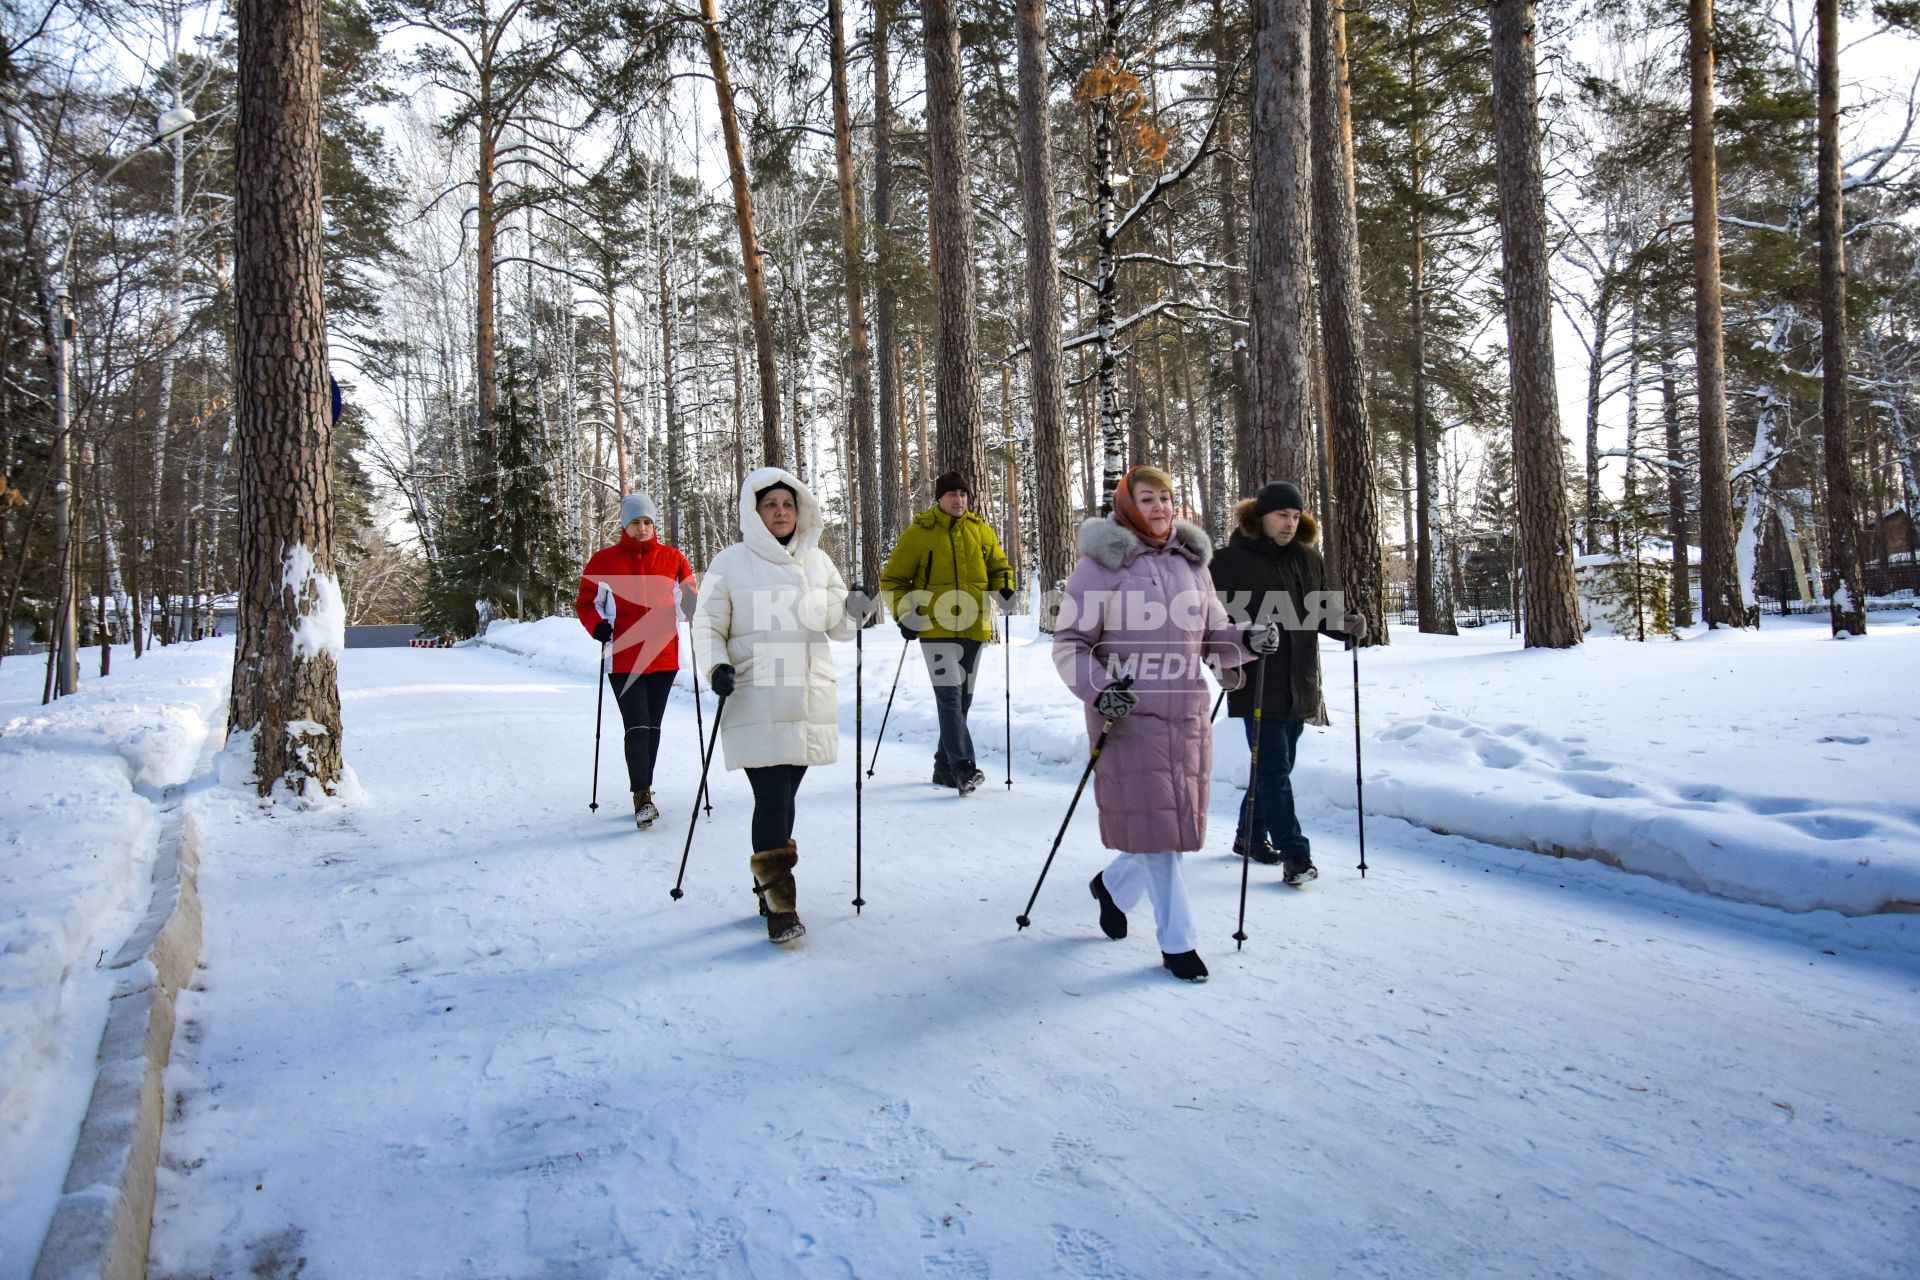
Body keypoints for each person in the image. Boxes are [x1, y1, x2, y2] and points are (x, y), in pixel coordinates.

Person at [1052, 466, 1270, 983]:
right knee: (1161, 836)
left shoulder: (1193, 564)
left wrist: (1248, 641)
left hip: (1187, 710)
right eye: (1147, 498)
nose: (1159, 507)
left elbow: (1213, 632)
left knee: (1166, 825)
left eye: (1167, 498)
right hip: (1127, 714)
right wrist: (1103, 689)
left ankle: (1112, 886)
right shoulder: (1099, 566)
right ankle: (1179, 943)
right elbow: (1070, 646)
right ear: (1127, 505)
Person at [691, 467, 874, 944]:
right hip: (753, 691)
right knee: (772, 797)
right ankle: (781, 905)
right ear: (755, 512)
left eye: (788, 505)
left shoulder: (818, 561)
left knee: (786, 799)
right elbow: (707, 626)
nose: (780, 512)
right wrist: (715, 668)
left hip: (808, 693)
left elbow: (838, 625)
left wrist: (855, 608)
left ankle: (767, 882)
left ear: (801, 510)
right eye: (770, 504)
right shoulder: (729, 562)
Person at [1209, 480, 1368, 886]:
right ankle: (1295, 854)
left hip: (1300, 681)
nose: (1290, 523)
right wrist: (1226, 656)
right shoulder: (1227, 562)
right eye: (1282, 515)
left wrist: (1344, 625)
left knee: (1276, 768)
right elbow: (1212, 625)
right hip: (1255, 681)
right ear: (1259, 517)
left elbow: (1317, 612)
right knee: (1274, 769)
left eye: (1296, 516)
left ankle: (1249, 835)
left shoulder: (1307, 559)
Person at [879, 470, 1015, 795]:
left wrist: (1005, 588)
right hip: (935, 628)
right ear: (939, 499)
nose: (959, 500)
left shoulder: (980, 530)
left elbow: (1000, 567)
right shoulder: (920, 532)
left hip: (974, 627)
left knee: (963, 701)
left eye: (964, 495)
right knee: (950, 698)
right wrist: (905, 615)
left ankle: (944, 768)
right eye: (953, 494)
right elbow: (892, 580)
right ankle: (964, 768)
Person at [576, 493, 698, 829]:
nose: (642, 528)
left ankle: (645, 788)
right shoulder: (603, 561)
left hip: (664, 656)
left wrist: (690, 604)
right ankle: (641, 796)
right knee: (638, 725)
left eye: (647, 522)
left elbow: (690, 594)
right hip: (624, 656)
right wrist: (597, 626)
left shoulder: (673, 558)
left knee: (653, 727)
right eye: (635, 522)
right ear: (624, 525)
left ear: (653, 524)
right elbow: (586, 604)